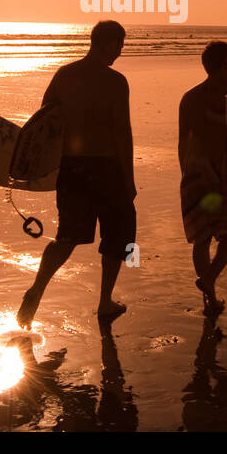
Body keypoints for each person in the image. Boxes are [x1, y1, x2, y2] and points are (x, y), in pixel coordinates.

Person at [18, 21, 136, 327]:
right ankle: (105, 302)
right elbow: (122, 132)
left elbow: (44, 118)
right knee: (117, 235)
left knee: (67, 237)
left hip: (72, 168)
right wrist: (129, 178)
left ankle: (37, 289)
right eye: (119, 46)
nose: (119, 53)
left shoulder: (65, 74)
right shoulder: (115, 81)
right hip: (107, 167)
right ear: (109, 44)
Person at [178, 41, 227, 316]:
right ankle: (210, 279)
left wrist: (185, 176)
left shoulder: (189, 97)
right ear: (225, 63)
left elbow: (182, 142)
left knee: (201, 237)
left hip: (195, 173)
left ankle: (210, 298)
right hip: (226, 175)